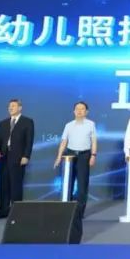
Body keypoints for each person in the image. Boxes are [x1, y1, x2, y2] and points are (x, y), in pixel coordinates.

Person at [55, 101, 97, 238]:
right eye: (77, 109)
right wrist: (59, 157)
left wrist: (93, 155)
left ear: (86, 112)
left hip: (84, 155)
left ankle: (79, 212)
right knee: (68, 184)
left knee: (82, 185)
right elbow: (64, 142)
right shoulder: (69, 125)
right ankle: (66, 210)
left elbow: (94, 141)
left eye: (82, 109)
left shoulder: (91, 124)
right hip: (70, 155)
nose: (79, 111)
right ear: (74, 111)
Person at [0, 98, 34, 218]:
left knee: (16, 184)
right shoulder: (3, 123)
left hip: (18, 157)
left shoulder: (27, 122)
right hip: (4, 157)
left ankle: (16, 211)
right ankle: (3, 210)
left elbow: (29, 141)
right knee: (3, 184)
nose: (10, 108)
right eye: (9, 106)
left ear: (20, 108)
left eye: (13, 106)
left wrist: (26, 156)